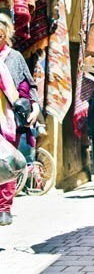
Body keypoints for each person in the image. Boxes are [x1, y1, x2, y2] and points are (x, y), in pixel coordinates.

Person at [0, 14, 40, 225]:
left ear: (6, 34)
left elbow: (28, 85)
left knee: (6, 163)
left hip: (7, 120)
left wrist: (34, 105)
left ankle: (4, 207)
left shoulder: (14, 57)